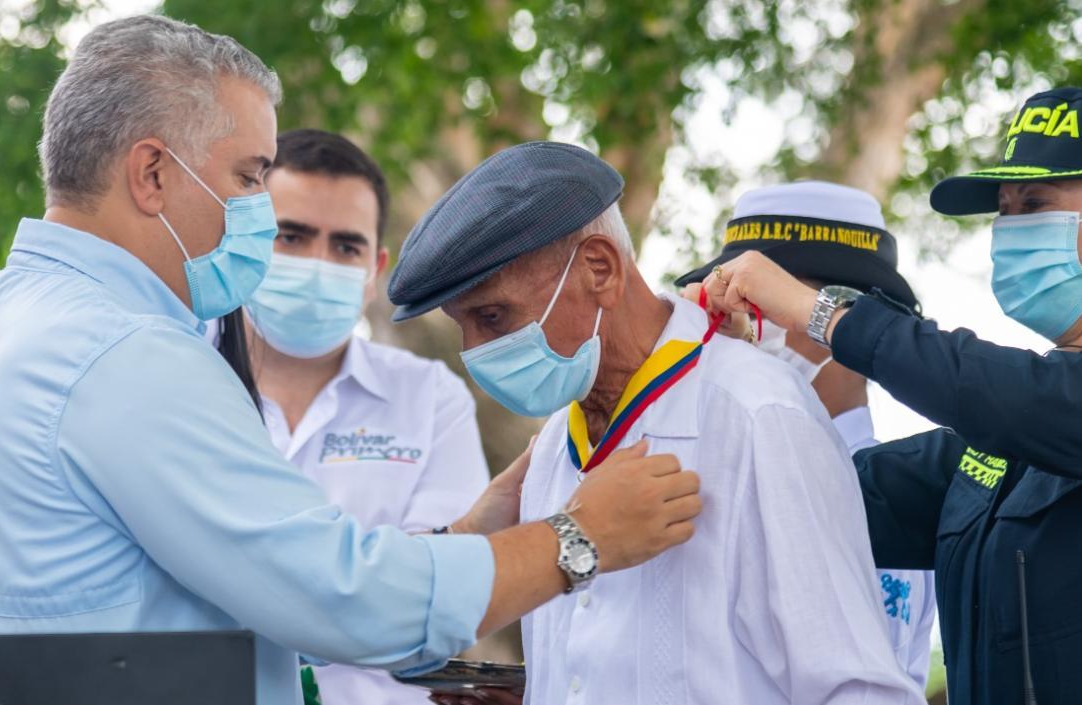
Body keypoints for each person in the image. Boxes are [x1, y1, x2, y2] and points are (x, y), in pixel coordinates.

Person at [0, 16, 705, 704]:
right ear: (152, 173)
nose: (260, 209)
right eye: (249, 177)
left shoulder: (12, 322)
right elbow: (338, 597)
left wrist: (468, 532)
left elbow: (256, 598)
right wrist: (578, 537)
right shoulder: (124, 352)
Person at [389, 141, 923, 705]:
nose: (475, 352)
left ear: (600, 268)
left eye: (493, 316)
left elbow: (860, 690)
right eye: (462, 326)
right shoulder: (553, 447)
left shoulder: (754, 412)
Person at [698, 87, 1082, 705]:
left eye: (1035, 203)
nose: (1010, 231)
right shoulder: (990, 451)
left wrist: (815, 312)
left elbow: (993, 389)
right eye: (1004, 211)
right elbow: (808, 490)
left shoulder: (1024, 404)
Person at [210, 128, 490, 705]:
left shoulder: (431, 399)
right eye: (291, 236)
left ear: (376, 267)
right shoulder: (183, 382)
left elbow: (443, 600)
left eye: (345, 247)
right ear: (244, 237)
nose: (318, 263)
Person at [676, 181, 937, 690]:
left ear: (840, 312)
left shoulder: (895, 494)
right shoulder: (711, 461)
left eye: (756, 302)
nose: (729, 321)